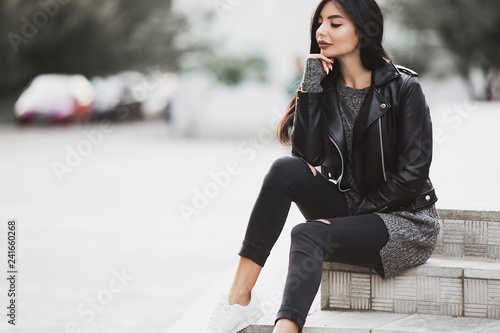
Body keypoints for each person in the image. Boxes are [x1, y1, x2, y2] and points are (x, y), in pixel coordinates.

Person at [202, 0, 440, 332]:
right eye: (319, 22)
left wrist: (359, 214)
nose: (321, 31)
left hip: (404, 219)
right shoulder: (325, 87)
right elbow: (307, 157)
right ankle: (238, 300)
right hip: (357, 208)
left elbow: (413, 175)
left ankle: (286, 328)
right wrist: (311, 86)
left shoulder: (404, 89)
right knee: (283, 170)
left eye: (334, 23)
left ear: (363, 29)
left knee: (308, 234)